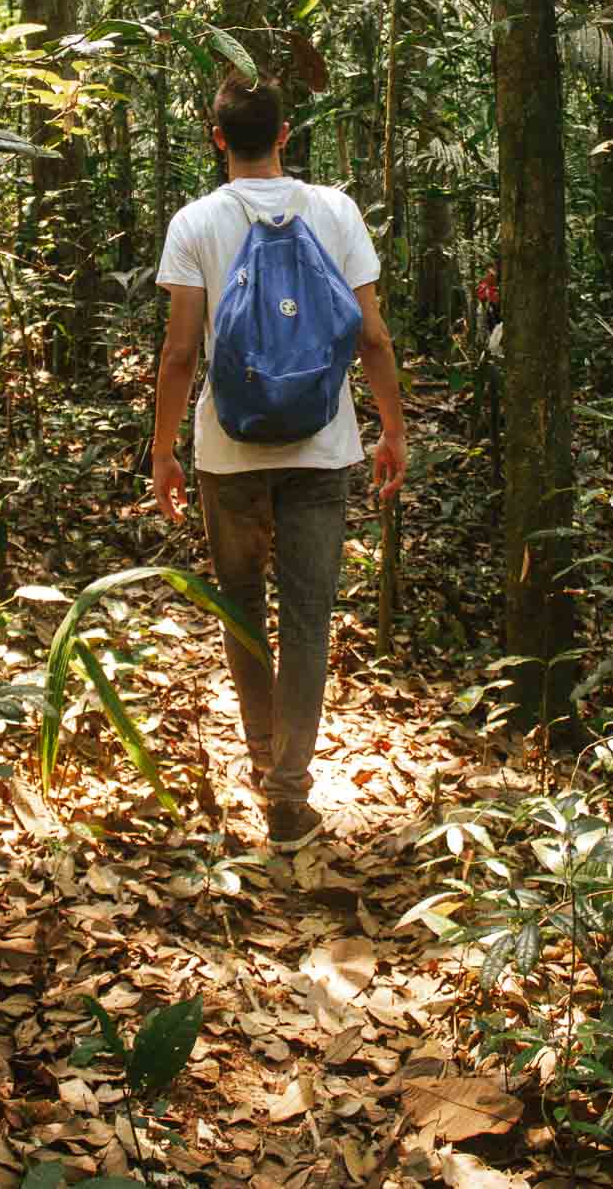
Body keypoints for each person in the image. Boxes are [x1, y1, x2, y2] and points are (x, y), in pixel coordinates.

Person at [153, 73, 407, 850]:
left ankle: (264, 760)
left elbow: (180, 351)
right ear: (287, 134)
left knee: (241, 607)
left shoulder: (196, 222)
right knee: (307, 620)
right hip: (322, 451)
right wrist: (393, 428)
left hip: (226, 455)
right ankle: (288, 795)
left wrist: (162, 450)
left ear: (218, 136)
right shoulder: (335, 210)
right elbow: (371, 336)